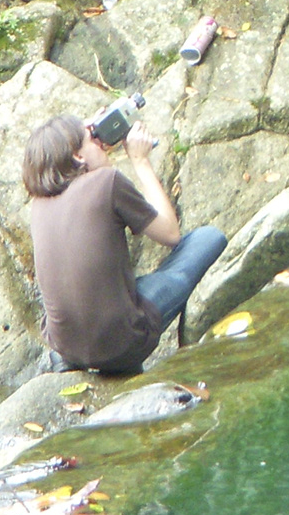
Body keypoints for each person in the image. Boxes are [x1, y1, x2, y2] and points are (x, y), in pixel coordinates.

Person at [22, 114, 227, 374]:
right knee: (207, 238)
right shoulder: (107, 181)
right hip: (124, 342)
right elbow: (170, 234)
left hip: (66, 347)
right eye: (92, 140)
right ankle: (119, 355)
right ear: (78, 157)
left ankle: (65, 360)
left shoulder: (39, 206)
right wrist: (140, 161)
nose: (101, 142)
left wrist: (84, 139)